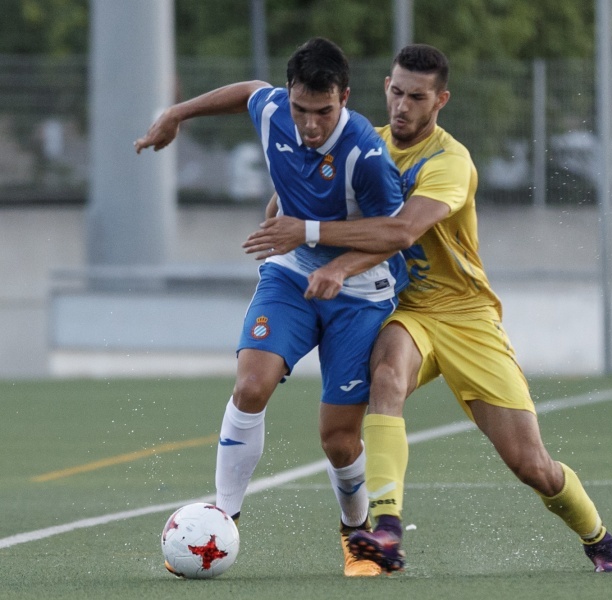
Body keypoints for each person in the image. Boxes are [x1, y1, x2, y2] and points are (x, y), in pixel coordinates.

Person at [242, 44, 612, 574]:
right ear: (384, 88)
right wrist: (283, 226)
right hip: (408, 310)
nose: (402, 106)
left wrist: (327, 254)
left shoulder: (450, 161)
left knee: (531, 465)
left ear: (440, 100)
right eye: (396, 92)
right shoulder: (361, 143)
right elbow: (298, 198)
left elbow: (402, 231)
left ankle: (598, 537)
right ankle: (386, 529)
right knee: (386, 374)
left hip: (467, 318)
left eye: (417, 97)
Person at [135, 37, 410, 577]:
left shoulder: (365, 154)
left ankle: (356, 533)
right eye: (300, 109)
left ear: (345, 98)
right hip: (290, 273)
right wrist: (177, 114)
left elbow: (397, 234)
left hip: (360, 289)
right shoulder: (273, 110)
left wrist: (333, 261)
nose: (310, 125)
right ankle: (224, 512)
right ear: (289, 97)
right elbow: (248, 93)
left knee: (337, 440)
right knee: (250, 384)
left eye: (323, 112)